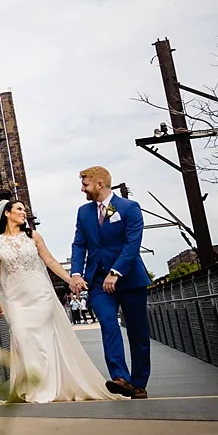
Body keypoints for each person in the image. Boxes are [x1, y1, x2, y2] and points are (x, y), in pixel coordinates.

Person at [0, 199, 119, 403]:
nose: (24, 212)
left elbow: (49, 260)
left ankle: (46, 387)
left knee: (43, 339)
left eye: (24, 209)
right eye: (19, 209)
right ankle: (33, 386)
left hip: (40, 294)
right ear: (7, 213)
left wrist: (71, 279)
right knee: (22, 338)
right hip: (15, 297)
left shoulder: (33, 236)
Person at [70, 166, 153, 399]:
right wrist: (76, 273)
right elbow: (79, 244)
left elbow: (132, 243)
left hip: (129, 279)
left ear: (99, 184)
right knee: (108, 324)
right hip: (97, 281)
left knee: (137, 332)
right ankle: (120, 378)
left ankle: (138, 384)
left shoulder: (129, 208)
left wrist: (116, 272)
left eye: (85, 184)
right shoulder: (83, 212)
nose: (82, 189)